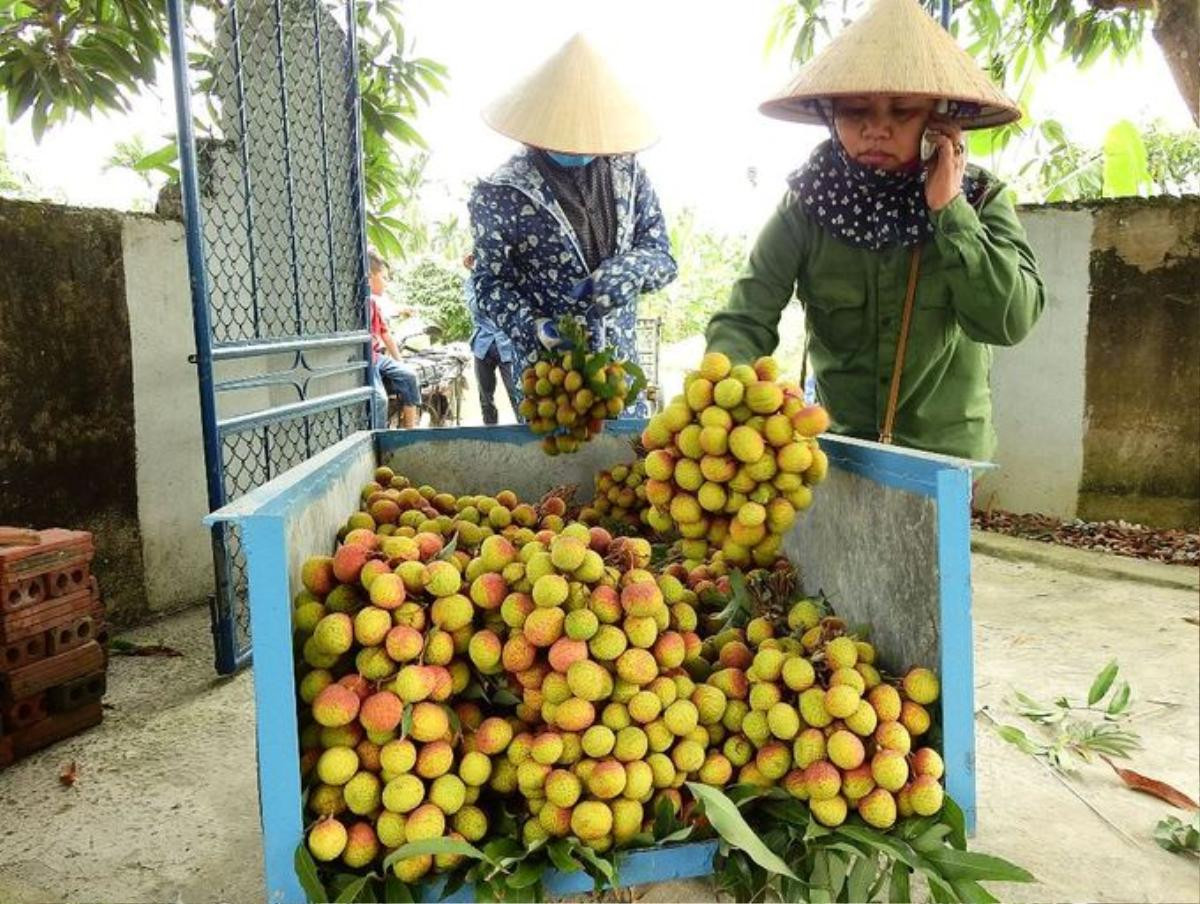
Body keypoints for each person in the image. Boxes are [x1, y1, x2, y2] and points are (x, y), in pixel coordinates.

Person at [705, 0, 1045, 461]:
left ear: (939, 119)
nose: (877, 130)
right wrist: (724, 393)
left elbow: (1008, 321)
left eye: (902, 111)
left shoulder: (981, 200)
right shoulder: (807, 205)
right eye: (855, 111)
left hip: (945, 455)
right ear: (831, 116)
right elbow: (746, 317)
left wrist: (949, 210)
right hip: (844, 449)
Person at [468, 34, 677, 417]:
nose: (578, 146)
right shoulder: (500, 192)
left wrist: (623, 273)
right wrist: (537, 327)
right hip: (549, 384)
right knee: (552, 474)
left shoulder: (629, 176)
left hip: (619, 379)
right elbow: (488, 284)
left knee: (629, 468)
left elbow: (663, 258)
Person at [463, 252, 518, 425]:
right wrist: (478, 275)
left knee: (516, 393)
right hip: (483, 345)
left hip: (507, 344)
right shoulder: (472, 282)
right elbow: (476, 307)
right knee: (486, 398)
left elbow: (509, 306)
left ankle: (526, 433)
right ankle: (490, 436)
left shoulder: (507, 280)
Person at [367, 251, 421, 429]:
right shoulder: (358, 306)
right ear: (369, 276)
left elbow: (385, 333)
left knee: (410, 376)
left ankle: (410, 431)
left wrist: (400, 361)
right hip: (365, 360)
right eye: (383, 277)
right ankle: (380, 440)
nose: (386, 282)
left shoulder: (373, 304)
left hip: (377, 357)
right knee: (380, 399)